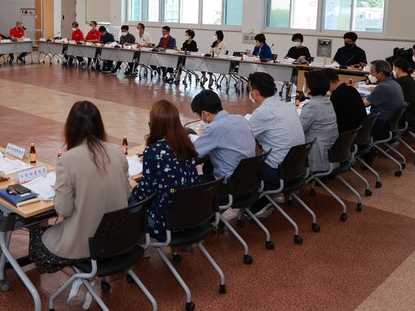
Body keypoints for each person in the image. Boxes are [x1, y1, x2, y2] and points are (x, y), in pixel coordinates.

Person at [29, 101, 129, 306]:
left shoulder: (67, 160)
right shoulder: (117, 151)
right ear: (99, 124)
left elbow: (63, 209)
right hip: (117, 237)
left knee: (38, 247)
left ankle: (83, 276)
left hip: (85, 241)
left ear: (70, 127)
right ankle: (87, 276)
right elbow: (126, 194)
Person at [131, 100, 199, 236]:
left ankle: (136, 247)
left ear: (154, 123)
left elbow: (146, 192)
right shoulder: (186, 144)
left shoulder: (152, 151)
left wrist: (132, 185)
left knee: (128, 200)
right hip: (192, 215)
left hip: (164, 221)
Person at [248, 72, 305, 216]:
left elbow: (243, 137)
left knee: (243, 167)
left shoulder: (261, 112)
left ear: (255, 92)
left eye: (249, 89)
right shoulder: (288, 106)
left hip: (278, 172)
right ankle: (274, 193)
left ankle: (262, 201)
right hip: (297, 167)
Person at [191, 89, 256, 204]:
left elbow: (191, 154)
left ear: (205, 114)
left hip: (230, 188)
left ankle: (205, 216)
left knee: (189, 183)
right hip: (250, 182)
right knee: (208, 166)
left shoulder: (215, 128)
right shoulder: (241, 119)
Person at [298, 71, 338, 173]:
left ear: (310, 87)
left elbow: (298, 130)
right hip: (330, 150)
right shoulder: (327, 101)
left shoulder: (311, 106)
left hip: (316, 153)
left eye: (305, 83)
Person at [363, 60, 404, 142]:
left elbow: (363, 104)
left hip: (381, 124)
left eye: (372, 72)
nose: (370, 75)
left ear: (380, 74)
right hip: (390, 122)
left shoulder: (383, 87)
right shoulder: (394, 83)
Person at [321, 68, 366, 132]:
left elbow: (330, 118)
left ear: (326, 82)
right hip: (357, 131)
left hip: (345, 133)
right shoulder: (351, 89)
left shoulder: (337, 95)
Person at [393, 58, 415, 124]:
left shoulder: (398, 81)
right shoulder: (411, 79)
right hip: (412, 114)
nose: (393, 70)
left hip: (402, 115)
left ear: (398, 68)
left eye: (393, 68)